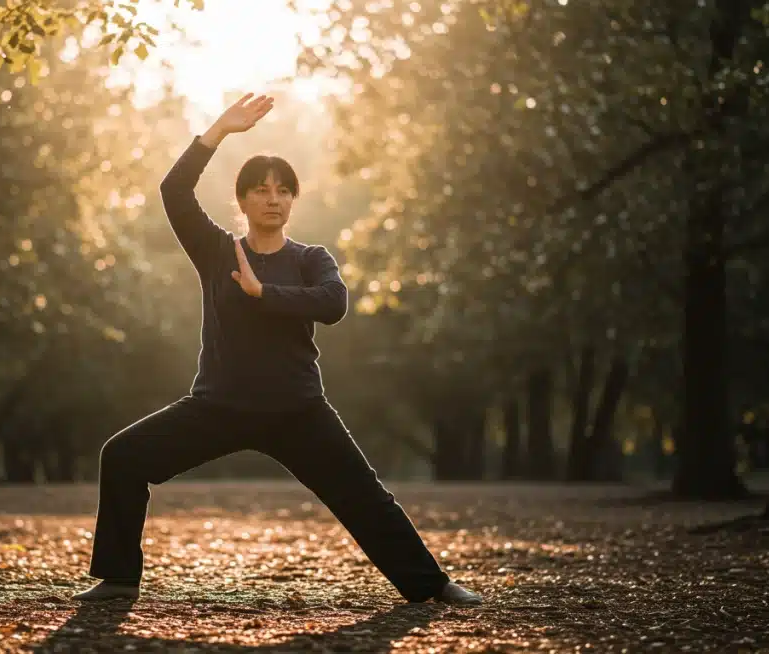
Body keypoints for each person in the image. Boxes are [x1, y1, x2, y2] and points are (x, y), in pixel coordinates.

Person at [73, 93, 482, 606]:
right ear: (242, 201)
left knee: (365, 496)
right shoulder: (216, 251)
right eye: (262, 190)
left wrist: (263, 293)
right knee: (123, 456)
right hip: (218, 406)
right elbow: (174, 190)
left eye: (284, 190)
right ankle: (118, 580)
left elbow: (333, 304)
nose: (274, 199)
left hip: (297, 410)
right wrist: (218, 132)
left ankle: (432, 584)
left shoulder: (311, 259)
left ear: (293, 201)